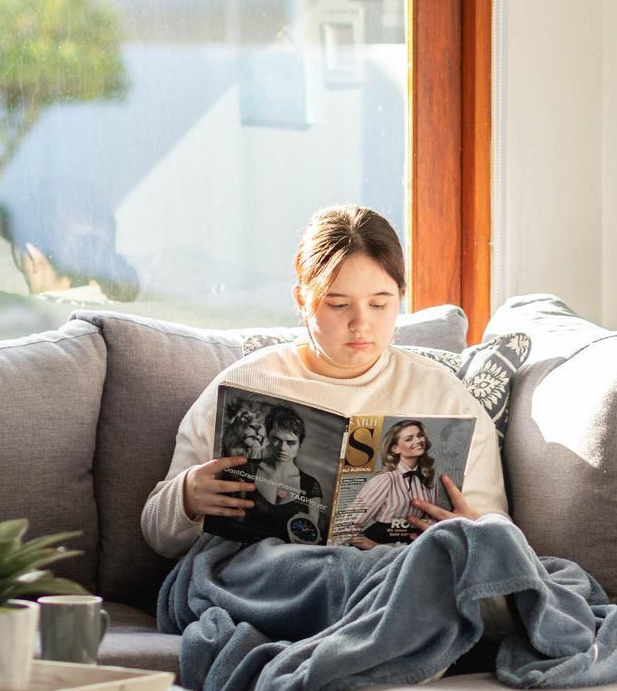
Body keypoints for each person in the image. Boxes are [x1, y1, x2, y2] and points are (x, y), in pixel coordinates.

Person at [141, 204, 508, 558]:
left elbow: (500, 539)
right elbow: (157, 534)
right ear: (302, 300)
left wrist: (474, 532)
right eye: (337, 304)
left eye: (379, 304)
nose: (360, 323)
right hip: (272, 576)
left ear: (401, 297)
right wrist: (187, 497)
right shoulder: (247, 383)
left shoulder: (445, 398)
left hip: (397, 575)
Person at [333, 418, 439, 545]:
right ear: (395, 448)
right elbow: (344, 528)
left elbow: (431, 520)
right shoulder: (385, 479)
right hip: (378, 547)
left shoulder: (428, 478)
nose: (417, 441)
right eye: (409, 439)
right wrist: (380, 549)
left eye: (420, 435)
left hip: (410, 547)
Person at [250, 404, 326, 538]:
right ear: (268, 437)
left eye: (291, 443)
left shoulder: (310, 485)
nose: (282, 448)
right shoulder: (248, 468)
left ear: (300, 444)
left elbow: (312, 533)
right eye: (276, 439)